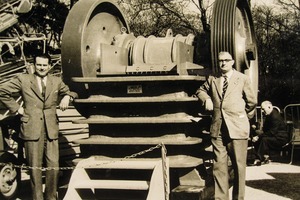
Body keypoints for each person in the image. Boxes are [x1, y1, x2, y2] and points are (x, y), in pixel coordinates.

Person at [0, 53, 77, 200]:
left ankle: (51, 197)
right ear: (34, 65)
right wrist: (17, 109)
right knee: (34, 168)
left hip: (51, 130)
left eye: (44, 65)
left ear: (49, 66)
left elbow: (71, 91)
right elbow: (2, 91)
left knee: (53, 167)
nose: (41, 68)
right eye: (39, 65)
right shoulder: (23, 79)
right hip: (31, 128)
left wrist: (68, 96)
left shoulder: (56, 81)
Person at [196, 51, 257, 200]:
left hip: (237, 129)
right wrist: (206, 100)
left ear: (233, 62)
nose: (223, 63)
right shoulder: (213, 79)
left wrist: (242, 117)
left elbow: (252, 102)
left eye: (226, 60)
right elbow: (200, 91)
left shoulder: (242, 79)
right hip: (218, 130)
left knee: (239, 167)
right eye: (220, 61)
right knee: (219, 168)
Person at [251, 100, 288, 165]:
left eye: (263, 109)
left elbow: (272, 132)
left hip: (280, 138)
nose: (262, 111)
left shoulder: (274, 116)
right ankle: (264, 156)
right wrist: (257, 135)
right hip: (275, 136)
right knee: (256, 136)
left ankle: (259, 158)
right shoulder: (269, 115)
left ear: (269, 107)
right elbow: (266, 130)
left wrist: (259, 136)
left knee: (264, 139)